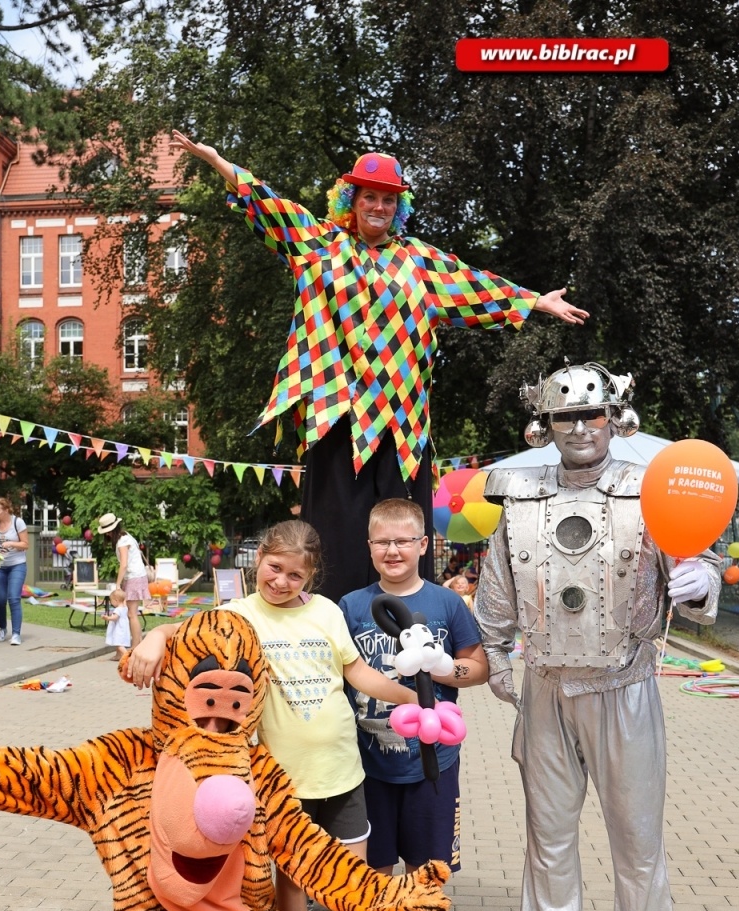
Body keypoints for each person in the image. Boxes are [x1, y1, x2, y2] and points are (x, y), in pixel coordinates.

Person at [171, 131, 590, 601]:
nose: (379, 206)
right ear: (351, 200)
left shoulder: (421, 262)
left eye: (389, 199)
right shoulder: (318, 244)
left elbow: (478, 287)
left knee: (403, 533)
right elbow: (272, 207)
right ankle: (331, 624)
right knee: (333, 532)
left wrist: (536, 301)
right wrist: (219, 162)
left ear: (399, 206)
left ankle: (410, 629)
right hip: (335, 415)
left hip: (402, 423)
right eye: (370, 196)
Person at [473, 361, 722, 911]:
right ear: (545, 425)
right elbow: (500, 578)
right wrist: (494, 647)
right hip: (546, 688)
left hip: (625, 688)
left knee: (638, 845)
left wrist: (698, 583)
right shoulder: (519, 496)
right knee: (546, 841)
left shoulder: (652, 493)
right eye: (564, 417)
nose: (579, 429)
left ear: (615, 418)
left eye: (591, 415)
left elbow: (698, 601)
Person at [128, 519, 434, 911]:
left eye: (295, 574)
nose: (282, 581)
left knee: (352, 887)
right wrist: (154, 637)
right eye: (274, 568)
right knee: (290, 888)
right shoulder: (236, 615)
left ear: (310, 574)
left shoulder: (326, 613)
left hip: (341, 773)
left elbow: (357, 673)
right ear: (258, 561)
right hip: (278, 785)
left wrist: (412, 700)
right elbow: (179, 631)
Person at [339, 499, 489, 911]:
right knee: (375, 860)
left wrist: (446, 668)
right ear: (369, 547)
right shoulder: (352, 606)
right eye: (383, 541)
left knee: (427, 860)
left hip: (433, 762)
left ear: (424, 545)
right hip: (368, 761)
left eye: (404, 540)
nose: (393, 550)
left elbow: (479, 666)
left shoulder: (447, 603)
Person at [96, 513, 150, 649]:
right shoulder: (126, 536)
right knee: (129, 613)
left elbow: (124, 564)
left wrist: (118, 584)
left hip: (134, 577)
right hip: (135, 576)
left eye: (108, 532)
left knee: (131, 614)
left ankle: (136, 647)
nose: (107, 535)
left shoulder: (122, 542)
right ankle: (135, 645)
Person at [0, 497, 29, 646]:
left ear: (6, 510)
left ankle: (16, 634)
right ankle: (2, 629)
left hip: (17, 565)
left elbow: (25, 544)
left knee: (14, 598)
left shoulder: (18, 522)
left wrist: (11, 543)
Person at [103, 587, 131, 661]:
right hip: (123, 628)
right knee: (118, 642)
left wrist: (107, 618)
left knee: (119, 645)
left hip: (119, 629)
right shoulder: (125, 607)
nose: (111, 603)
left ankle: (128, 656)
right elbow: (124, 600)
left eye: (111, 601)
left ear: (116, 600)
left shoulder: (118, 609)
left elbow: (115, 617)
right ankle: (118, 656)